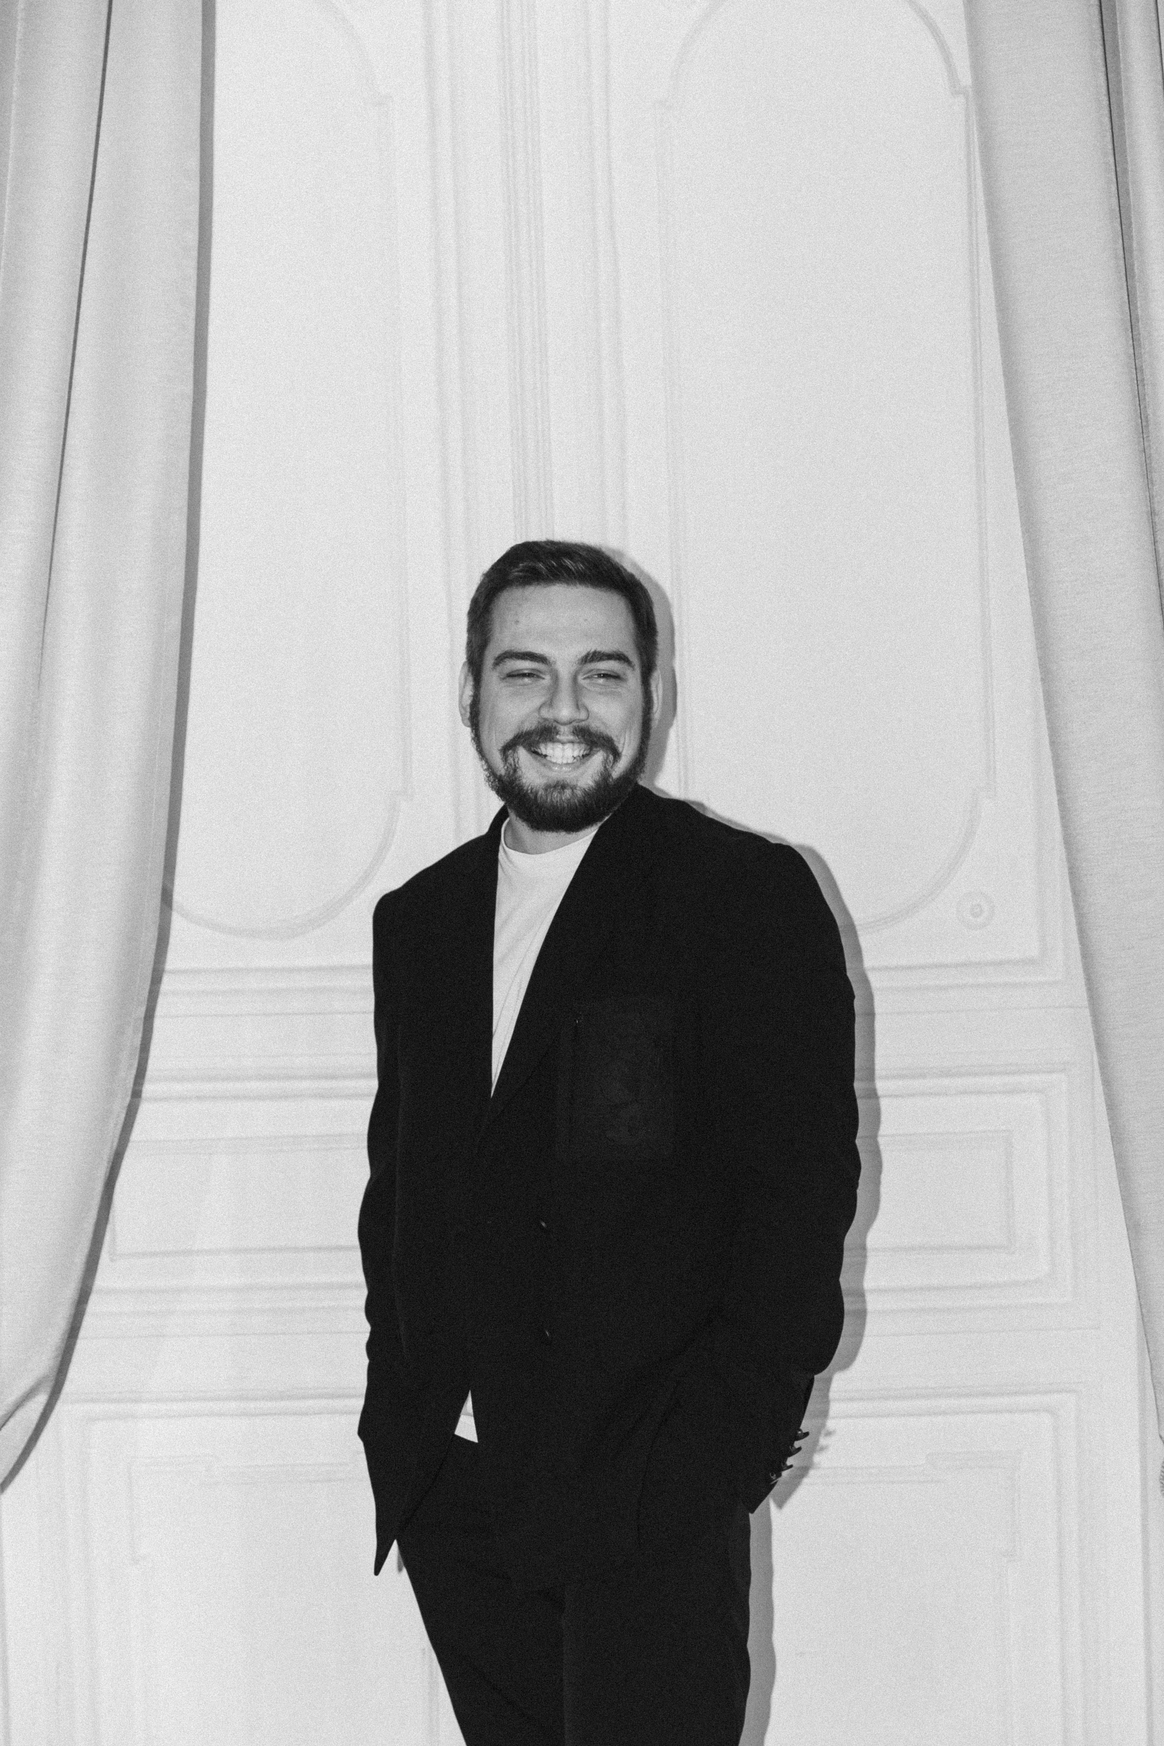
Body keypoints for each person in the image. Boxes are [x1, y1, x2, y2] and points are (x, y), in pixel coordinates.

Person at [357, 539, 860, 1745]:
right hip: (456, 1482)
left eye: (604, 672)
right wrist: (399, 1403)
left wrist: (723, 1449)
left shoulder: (739, 895)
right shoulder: (420, 920)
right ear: (472, 692)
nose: (564, 709)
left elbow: (799, 1197)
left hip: (646, 1486)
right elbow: (403, 1186)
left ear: (654, 694)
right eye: (525, 671)